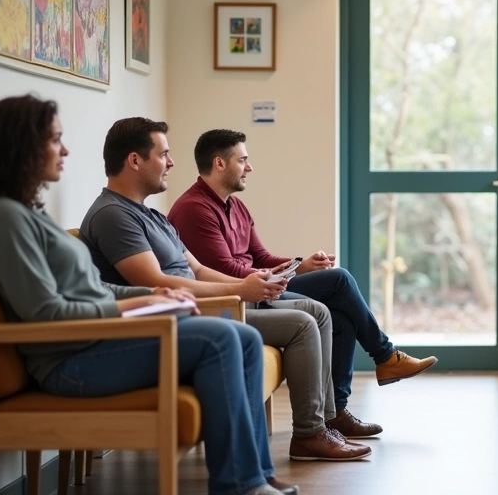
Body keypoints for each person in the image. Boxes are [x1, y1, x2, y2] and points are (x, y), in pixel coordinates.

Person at [0, 95, 298, 495]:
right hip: (69, 360)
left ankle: (254, 476)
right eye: (55, 140)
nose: (65, 151)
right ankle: (239, 485)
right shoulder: (3, 217)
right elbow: (44, 312)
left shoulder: (26, 213)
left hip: (95, 343)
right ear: (20, 146)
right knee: (219, 339)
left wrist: (153, 294)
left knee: (246, 338)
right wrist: (138, 302)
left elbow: (90, 287)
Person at [79, 118, 369, 461]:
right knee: (304, 323)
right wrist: (241, 290)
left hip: (204, 305)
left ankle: (324, 424)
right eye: (164, 154)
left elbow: (198, 269)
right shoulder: (113, 215)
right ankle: (310, 434)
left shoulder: (151, 215)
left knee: (318, 313)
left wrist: (246, 285)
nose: (171, 162)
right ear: (134, 160)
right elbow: (155, 283)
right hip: (180, 317)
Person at [167, 129, 439, 438]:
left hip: (260, 286)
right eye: (242, 160)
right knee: (339, 279)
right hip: (238, 297)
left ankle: (336, 411)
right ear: (219, 164)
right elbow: (224, 270)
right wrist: (283, 275)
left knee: (341, 319)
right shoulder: (194, 209)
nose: (249, 167)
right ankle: (385, 356)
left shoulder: (237, 206)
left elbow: (260, 256)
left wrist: (300, 264)